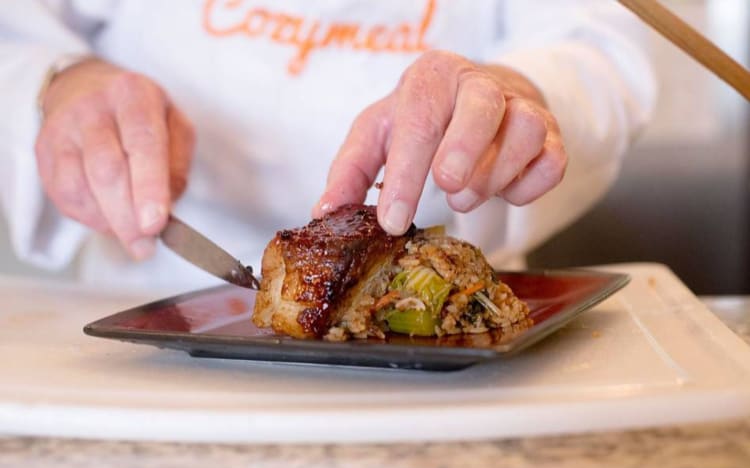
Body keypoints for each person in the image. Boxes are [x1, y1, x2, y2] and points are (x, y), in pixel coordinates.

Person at [0, 0, 656, 291]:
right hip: (148, 321)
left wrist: (515, 92)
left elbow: (599, 48)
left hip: (441, 350)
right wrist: (59, 83)